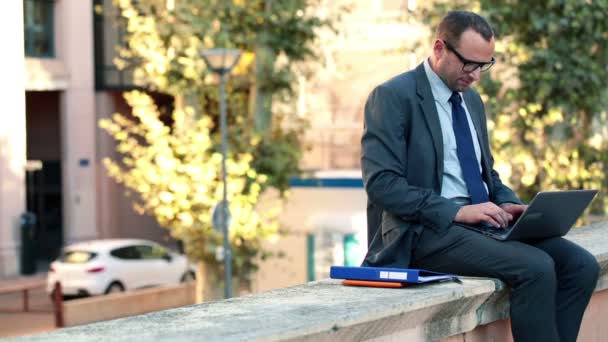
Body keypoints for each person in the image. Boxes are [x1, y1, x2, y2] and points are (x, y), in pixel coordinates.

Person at [360, 10, 599, 342]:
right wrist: (456, 211)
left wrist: (509, 204)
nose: (475, 75)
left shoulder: (471, 100)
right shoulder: (392, 97)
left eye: (483, 66)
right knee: (536, 268)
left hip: (481, 225)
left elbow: (487, 174)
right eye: (469, 64)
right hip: (427, 231)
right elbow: (382, 185)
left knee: (581, 266)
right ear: (440, 48)